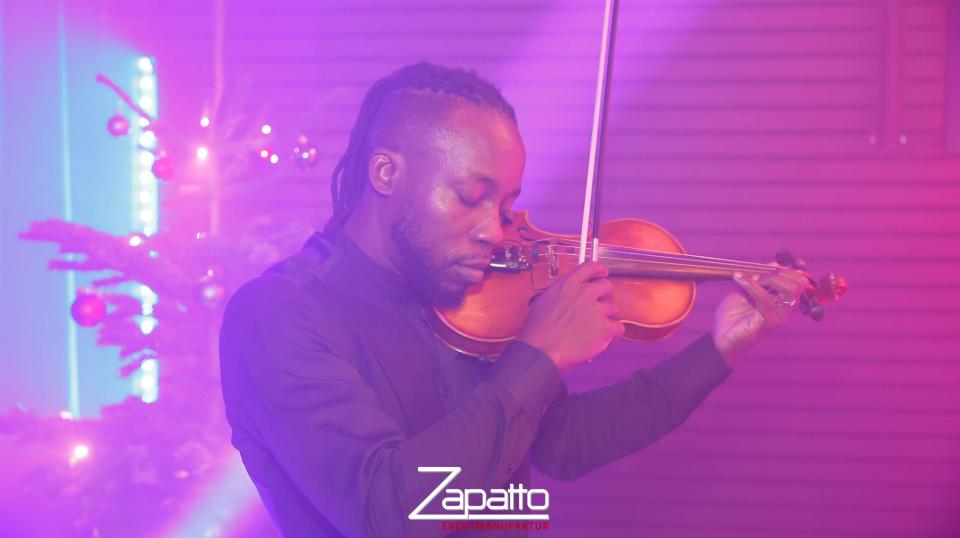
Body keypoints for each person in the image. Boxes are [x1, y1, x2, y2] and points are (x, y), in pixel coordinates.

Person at [218, 62, 810, 537]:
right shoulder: (279, 317)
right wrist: (538, 356)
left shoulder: (460, 298)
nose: (495, 232)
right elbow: (388, 513)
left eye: (504, 207)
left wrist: (719, 349)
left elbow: (568, 442)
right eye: (470, 197)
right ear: (386, 174)